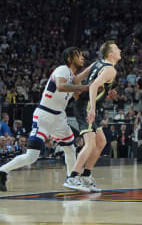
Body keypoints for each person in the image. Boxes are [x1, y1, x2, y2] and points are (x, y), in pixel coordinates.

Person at [1, 47, 89, 192]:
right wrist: (85, 87)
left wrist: (96, 88)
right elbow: (60, 86)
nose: (82, 57)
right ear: (69, 58)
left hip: (59, 118)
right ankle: (2, 171)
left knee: (70, 148)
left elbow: (78, 94)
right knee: (31, 156)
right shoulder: (62, 69)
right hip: (44, 115)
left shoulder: (72, 78)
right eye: (79, 55)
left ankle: (71, 178)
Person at [64, 41, 122, 193]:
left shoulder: (98, 63)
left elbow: (77, 80)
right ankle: (72, 177)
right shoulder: (110, 70)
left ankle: (86, 175)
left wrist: (81, 98)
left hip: (86, 104)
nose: (120, 50)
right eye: (117, 49)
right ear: (110, 54)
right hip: (88, 107)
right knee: (90, 143)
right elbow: (94, 85)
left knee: (101, 142)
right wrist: (92, 109)